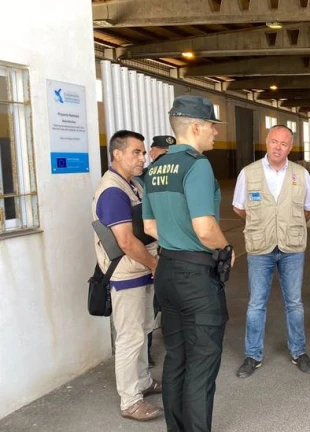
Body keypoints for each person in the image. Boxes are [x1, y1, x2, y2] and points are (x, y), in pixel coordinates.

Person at [142, 95, 232, 432]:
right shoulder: (197, 165)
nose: (215, 132)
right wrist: (226, 248)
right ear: (195, 127)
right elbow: (205, 229)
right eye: (212, 125)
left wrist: (175, 237)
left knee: (176, 358)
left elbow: (149, 227)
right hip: (196, 277)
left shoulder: (155, 167)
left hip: (166, 271)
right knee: (201, 365)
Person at [233, 125, 310, 378]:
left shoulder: (300, 174)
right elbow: (239, 207)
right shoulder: (248, 173)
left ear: (290, 148)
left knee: (294, 302)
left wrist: (288, 223)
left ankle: (298, 351)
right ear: (266, 142)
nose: (278, 147)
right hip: (260, 248)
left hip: (292, 247)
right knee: (256, 303)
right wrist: (262, 223)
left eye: (284, 143)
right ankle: (253, 355)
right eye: (274, 141)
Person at [92, 130, 162, 422]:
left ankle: (143, 381)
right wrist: (154, 264)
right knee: (130, 337)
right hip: (127, 273)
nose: (142, 158)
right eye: (136, 152)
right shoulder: (113, 191)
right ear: (117, 154)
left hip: (140, 269)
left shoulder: (131, 184)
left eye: (143, 152)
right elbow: (125, 241)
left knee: (142, 330)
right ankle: (130, 400)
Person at [144, 134, 175, 368]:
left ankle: (171, 336)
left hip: (169, 248)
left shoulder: (175, 176)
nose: (166, 158)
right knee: (148, 304)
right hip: (149, 247)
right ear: (152, 152)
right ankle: (144, 351)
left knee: (168, 298)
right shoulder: (144, 177)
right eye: (163, 153)